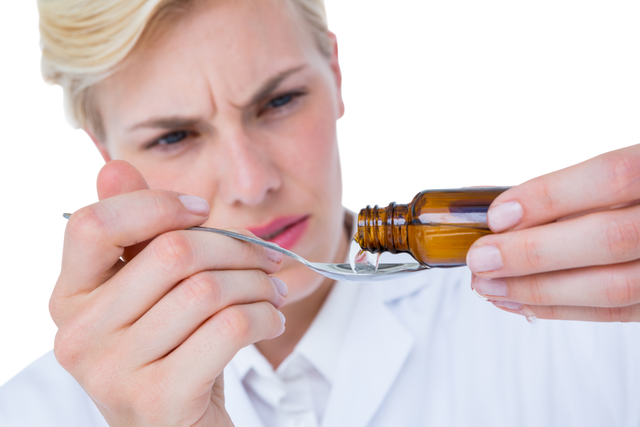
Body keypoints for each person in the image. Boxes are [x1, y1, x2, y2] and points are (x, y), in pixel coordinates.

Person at [1, 0, 638, 425]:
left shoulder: (588, 320)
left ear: (336, 74)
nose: (253, 185)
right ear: (107, 153)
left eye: (278, 101)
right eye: (175, 137)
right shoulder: (33, 412)